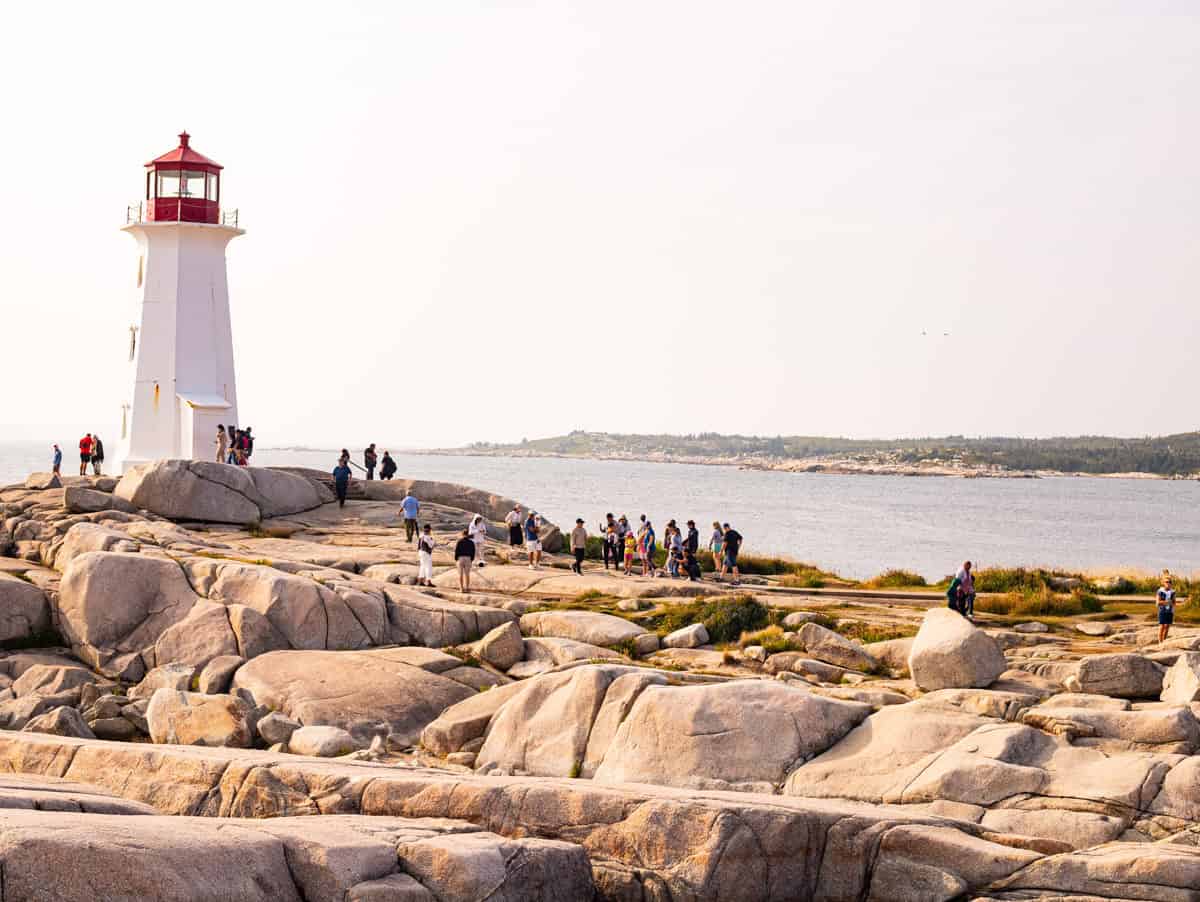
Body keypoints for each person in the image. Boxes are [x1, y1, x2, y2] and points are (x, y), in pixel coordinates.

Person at [1158, 574, 1183, 642]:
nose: (1168, 583)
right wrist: (1167, 602)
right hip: (1162, 610)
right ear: (1163, 583)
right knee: (1162, 626)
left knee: (1167, 626)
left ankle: (1164, 641)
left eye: (1169, 582)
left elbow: (1174, 602)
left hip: (1170, 611)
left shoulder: (1173, 592)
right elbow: (1158, 602)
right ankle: (1160, 642)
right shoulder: (1160, 591)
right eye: (1166, 582)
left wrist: (1172, 603)